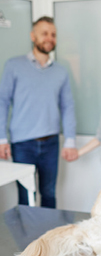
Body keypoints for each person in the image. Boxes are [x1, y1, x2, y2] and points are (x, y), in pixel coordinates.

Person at [0, 16, 78, 209]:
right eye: (44, 33)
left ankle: (48, 239)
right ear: (33, 36)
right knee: (26, 197)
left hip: (51, 143)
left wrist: (70, 140)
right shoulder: (14, 66)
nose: (49, 38)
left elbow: (67, 106)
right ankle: (26, 240)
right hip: (22, 144)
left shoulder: (61, 71)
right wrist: (1, 138)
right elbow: (2, 102)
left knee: (49, 195)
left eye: (53, 34)